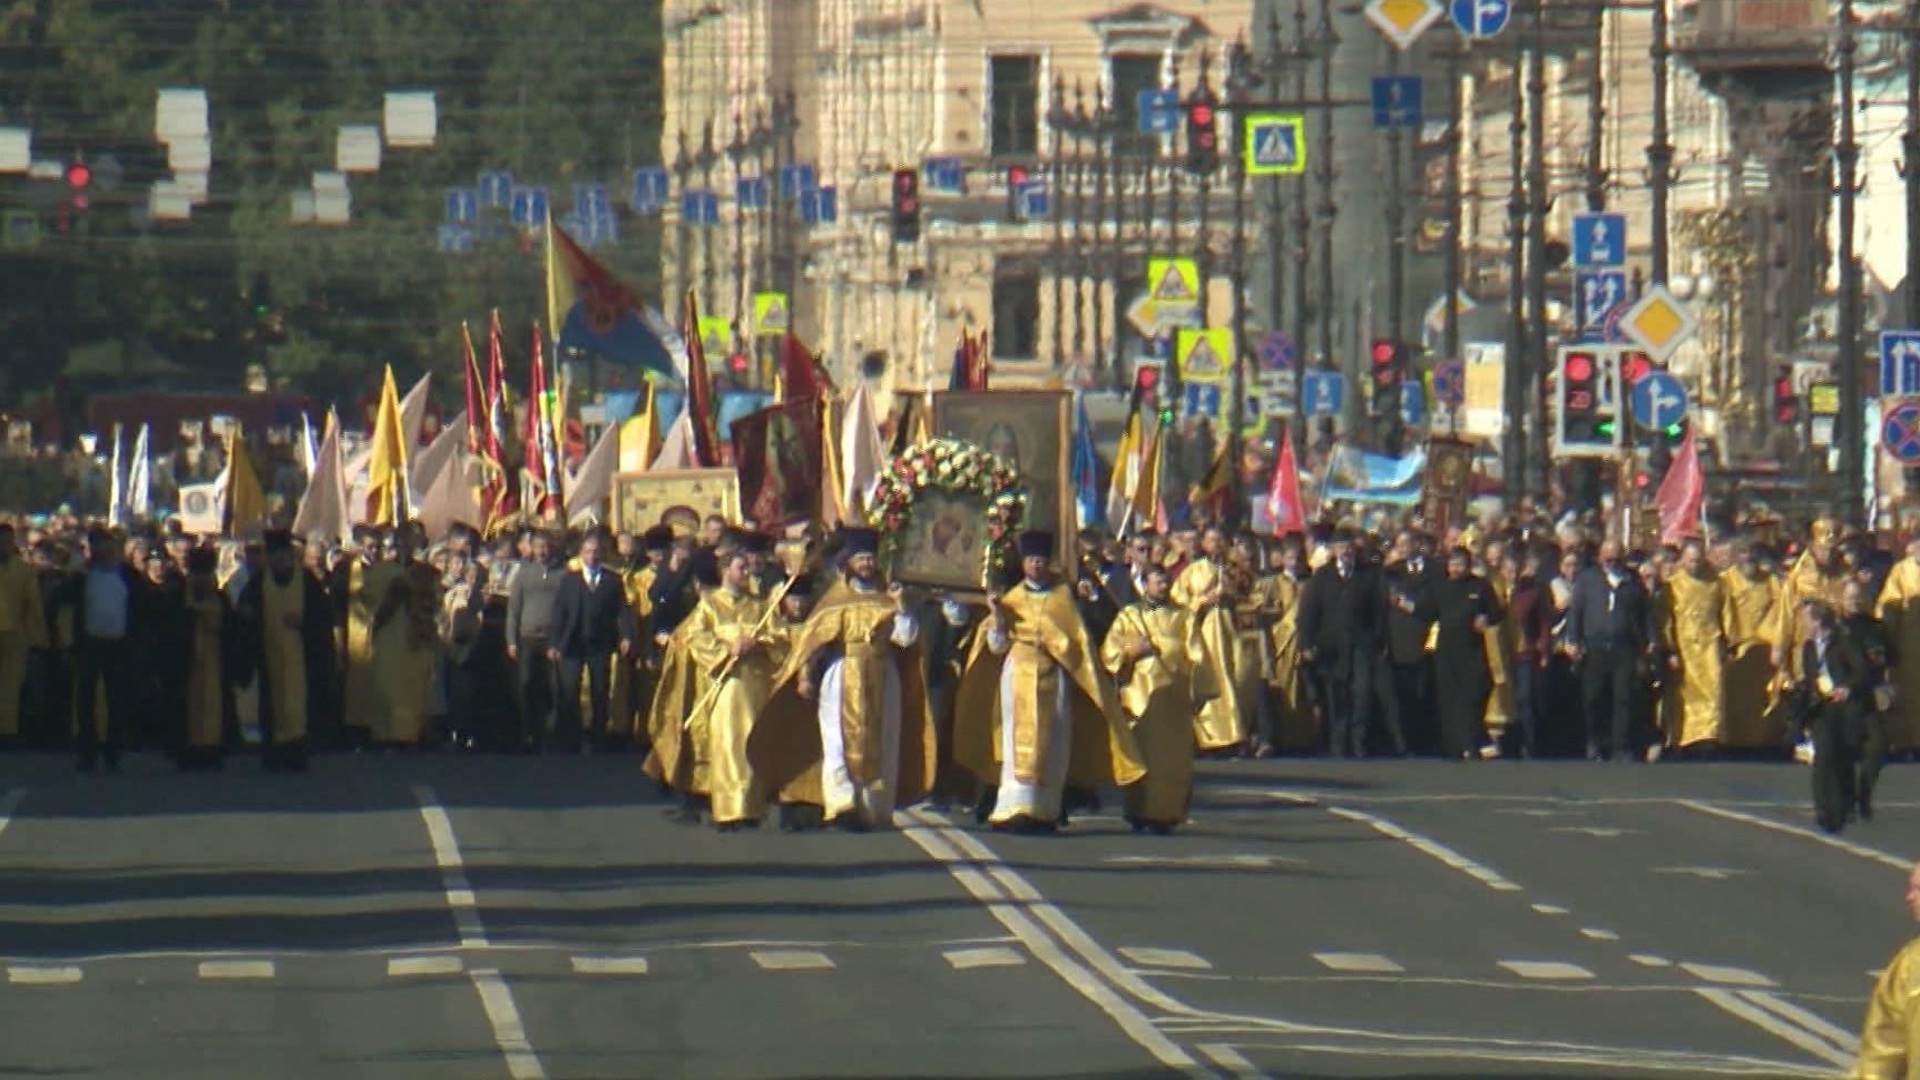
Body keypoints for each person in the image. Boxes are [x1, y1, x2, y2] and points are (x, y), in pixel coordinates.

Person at [952, 530, 1145, 834]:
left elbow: (1077, 643)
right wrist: (999, 621)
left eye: (1041, 560)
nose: (1036, 566)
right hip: (1016, 676)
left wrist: (1056, 644)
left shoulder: (1062, 599)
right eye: (1031, 560)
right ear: (1023, 563)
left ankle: (1045, 810)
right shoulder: (1012, 599)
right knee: (1015, 741)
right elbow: (996, 646)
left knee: (1052, 742)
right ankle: (1013, 807)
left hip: (1054, 679)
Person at [754, 528, 934, 831]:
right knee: (837, 739)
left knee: (883, 736)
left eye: (869, 558)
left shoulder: (888, 597)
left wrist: (902, 605)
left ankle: (873, 807)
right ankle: (842, 804)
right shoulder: (835, 599)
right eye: (860, 558)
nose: (865, 563)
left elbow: (906, 638)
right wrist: (806, 676)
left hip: (882, 673)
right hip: (842, 672)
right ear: (848, 562)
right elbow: (814, 641)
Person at [645, 548, 789, 831]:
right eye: (740, 567)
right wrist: (727, 649)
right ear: (725, 571)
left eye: (747, 568)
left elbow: (780, 637)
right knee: (728, 744)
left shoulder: (760, 606)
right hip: (724, 685)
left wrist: (758, 644)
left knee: (753, 744)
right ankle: (727, 810)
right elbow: (694, 636)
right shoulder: (709, 604)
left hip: (754, 685)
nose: (746, 573)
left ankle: (751, 808)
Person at [1101, 564, 1202, 833]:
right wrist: (1131, 651)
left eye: (1166, 581)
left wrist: (1197, 688)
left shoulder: (1184, 616)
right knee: (1141, 757)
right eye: (1158, 581)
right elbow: (1110, 654)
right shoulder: (1130, 616)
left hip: (1174, 700)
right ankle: (1138, 811)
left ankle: (1168, 813)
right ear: (1145, 584)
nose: (1164, 586)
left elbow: (1198, 655)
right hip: (1140, 699)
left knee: (1172, 761)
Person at [235, 530, 335, 772]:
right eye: (273, 555)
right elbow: (244, 611)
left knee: (300, 704)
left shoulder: (307, 581)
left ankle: (298, 753)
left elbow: (324, 615)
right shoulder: (259, 583)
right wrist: (247, 615)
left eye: (282, 554)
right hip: (269, 656)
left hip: (301, 656)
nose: (277, 560)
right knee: (271, 704)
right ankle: (273, 754)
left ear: (290, 555)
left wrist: (304, 623)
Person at [1298, 528, 1392, 758]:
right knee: (1336, 696)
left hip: (1361, 644)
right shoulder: (1322, 576)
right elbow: (1309, 612)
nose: (1346, 552)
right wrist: (1307, 643)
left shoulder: (1368, 575)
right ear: (1333, 550)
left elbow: (1379, 611)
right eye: (1341, 547)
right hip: (1331, 646)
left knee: (1362, 694)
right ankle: (1338, 746)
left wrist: (1379, 640)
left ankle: (1358, 744)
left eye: (1349, 547)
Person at [547, 532, 636, 754]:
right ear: (581, 554)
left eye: (596, 552)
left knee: (600, 690)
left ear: (602, 554)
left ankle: (599, 738)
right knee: (570, 691)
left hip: (600, 643)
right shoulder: (570, 580)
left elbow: (622, 611)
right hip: (573, 643)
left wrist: (626, 635)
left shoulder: (612, 580)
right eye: (588, 551)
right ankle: (571, 740)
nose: (592, 556)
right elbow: (559, 613)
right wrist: (554, 643)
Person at [1566, 541, 1651, 763]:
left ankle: (1620, 746)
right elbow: (1576, 611)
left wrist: (1650, 639)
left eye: (1616, 558)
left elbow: (1644, 612)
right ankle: (1596, 741)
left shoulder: (1632, 580)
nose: (1612, 562)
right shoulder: (1588, 579)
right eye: (1607, 558)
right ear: (1600, 557)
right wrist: (1573, 639)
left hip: (1624, 647)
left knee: (1623, 697)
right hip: (1595, 647)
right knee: (1593, 697)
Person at [1796, 600, 1873, 834]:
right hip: (1821, 708)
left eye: (1805, 619)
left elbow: (1861, 672)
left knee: (1842, 758)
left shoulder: (1843, 644)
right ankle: (1824, 808)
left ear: (1817, 621)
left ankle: (1845, 805)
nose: (1802, 624)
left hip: (1843, 708)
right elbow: (1810, 678)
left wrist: (1847, 687)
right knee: (1824, 757)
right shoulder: (1809, 647)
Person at [72, 528, 141, 772]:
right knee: (85, 699)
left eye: (106, 545)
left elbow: (141, 603)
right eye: (97, 546)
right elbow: (67, 598)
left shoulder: (127, 574)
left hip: (118, 644)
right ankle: (87, 752)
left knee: (116, 698)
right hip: (90, 643)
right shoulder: (83, 575)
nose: (103, 550)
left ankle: (113, 752)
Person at [1426, 547, 1503, 760]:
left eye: (1460, 563)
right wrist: (1406, 604)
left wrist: (1486, 617)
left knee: (1473, 696)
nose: (1456, 568)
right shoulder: (1441, 587)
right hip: (1447, 651)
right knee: (1448, 698)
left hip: (1473, 652)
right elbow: (1427, 610)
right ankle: (1453, 747)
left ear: (1469, 565)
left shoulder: (1480, 586)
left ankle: (1472, 743)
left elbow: (1498, 611)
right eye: (1452, 563)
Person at [1852, 860, 1920, 1077]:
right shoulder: (1909, 964)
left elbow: (1881, 1056)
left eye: (1918, 888)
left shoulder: (1912, 966)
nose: (1909, 897)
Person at [1663, 539, 1727, 754]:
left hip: (1709, 645)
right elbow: (1666, 619)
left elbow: (1725, 614)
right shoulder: (1673, 585)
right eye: (1690, 561)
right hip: (1684, 647)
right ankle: (1683, 737)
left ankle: (1707, 736)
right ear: (1683, 560)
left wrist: (1727, 643)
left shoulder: (1715, 583)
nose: (1694, 565)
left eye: (1698, 561)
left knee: (1712, 690)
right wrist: (1670, 648)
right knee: (1683, 693)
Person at [505, 531, 565, 751]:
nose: (542, 551)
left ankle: (549, 732)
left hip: (552, 640)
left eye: (546, 547)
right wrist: (511, 639)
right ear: (531, 548)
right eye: (538, 547)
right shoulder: (523, 573)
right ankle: (528, 732)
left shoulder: (563, 574)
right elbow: (513, 610)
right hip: (527, 638)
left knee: (553, 687)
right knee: (527, 684)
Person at [177, 547, 232, 771]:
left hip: (215, 660)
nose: (202, 580)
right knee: (188, 702)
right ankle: (189, 747)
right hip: (187, 661)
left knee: (213, 702)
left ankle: (212, 747)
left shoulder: (220, 599)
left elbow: (230, 628)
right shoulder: (180, 596)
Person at [0, 523, 47, 746]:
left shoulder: (23, 570)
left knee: (10, 686)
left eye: (8, 541)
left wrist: (38, 639)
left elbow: (34, 606)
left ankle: (7, 732)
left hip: (14, 636)